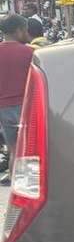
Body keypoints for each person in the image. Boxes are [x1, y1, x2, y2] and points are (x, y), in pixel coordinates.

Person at [0, 15, 34, 178]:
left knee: (14, 149)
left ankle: (16, 187)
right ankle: (28, 188)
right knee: (30, 150)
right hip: (26, 106)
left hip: (4, 109)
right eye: (25, 30)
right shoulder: (30, 53)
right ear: (19, 30)